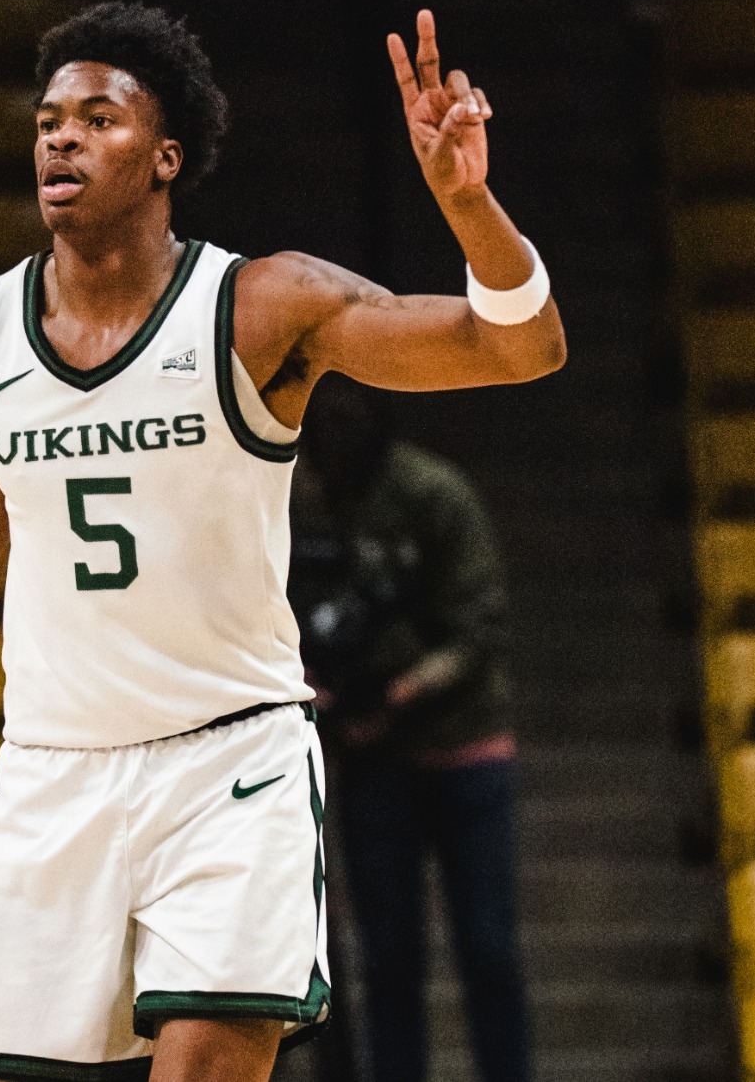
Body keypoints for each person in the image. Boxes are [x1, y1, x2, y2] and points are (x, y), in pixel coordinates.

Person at [0, 0, 565, 1082]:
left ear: (164, 157)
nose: (59, 137)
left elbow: (517, 348)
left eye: (96, 119)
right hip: (54, 780)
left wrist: (470, 209)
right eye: (48, 118)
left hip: (227, 766)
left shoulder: (260, 305)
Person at [291, 402, 530, 1082]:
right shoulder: (300, 502)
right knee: (388, 962)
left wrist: (395, 696)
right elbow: (280, 614)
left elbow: (479, 628)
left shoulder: (434, 494)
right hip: (371, 764)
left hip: (465, 752)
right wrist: (322, 692)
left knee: (488, 950)